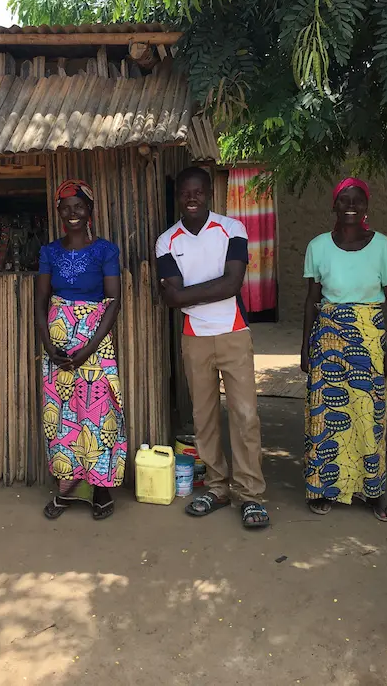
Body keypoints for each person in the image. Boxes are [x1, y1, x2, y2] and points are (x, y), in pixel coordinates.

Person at [156, 167, 270, 529]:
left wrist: (185, 295)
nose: (192, 198)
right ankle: (218, 487)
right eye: (185, 193)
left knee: (245, 415)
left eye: (198, 192)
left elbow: (233, 284)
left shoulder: (232, 229)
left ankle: (250, 494)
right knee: (204, 417)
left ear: (209, 194)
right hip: (195, 338)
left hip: (233, 332)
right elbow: (176, 300)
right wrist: (210, 289)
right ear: (179, 197)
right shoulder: (166, 241)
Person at [300, 177, 387, 522]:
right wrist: (305, 347)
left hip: (370, 338)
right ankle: (323, 488)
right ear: (334, 205)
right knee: (326, 415)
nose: (350, 206)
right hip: (328, 338)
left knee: (370, 416)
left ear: (366, 207)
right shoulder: (317, 247)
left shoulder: (383, 246)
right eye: (344, 200)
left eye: (357, 200)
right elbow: (311, 300)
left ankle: (372, 491)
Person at [37, 179, 126, 521]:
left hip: (95, 341)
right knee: (60, 415)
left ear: (89, 210)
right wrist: (48, 345)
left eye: (79, 206)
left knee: (98, 413)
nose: (72, 213)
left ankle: (101, 488)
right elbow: (40, 301)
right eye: (66, 207)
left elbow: (113, 302)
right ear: (58, 212)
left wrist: (89, 349)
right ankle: (65, 488)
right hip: (58, 342)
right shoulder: (50, 252)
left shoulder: (105, 251)